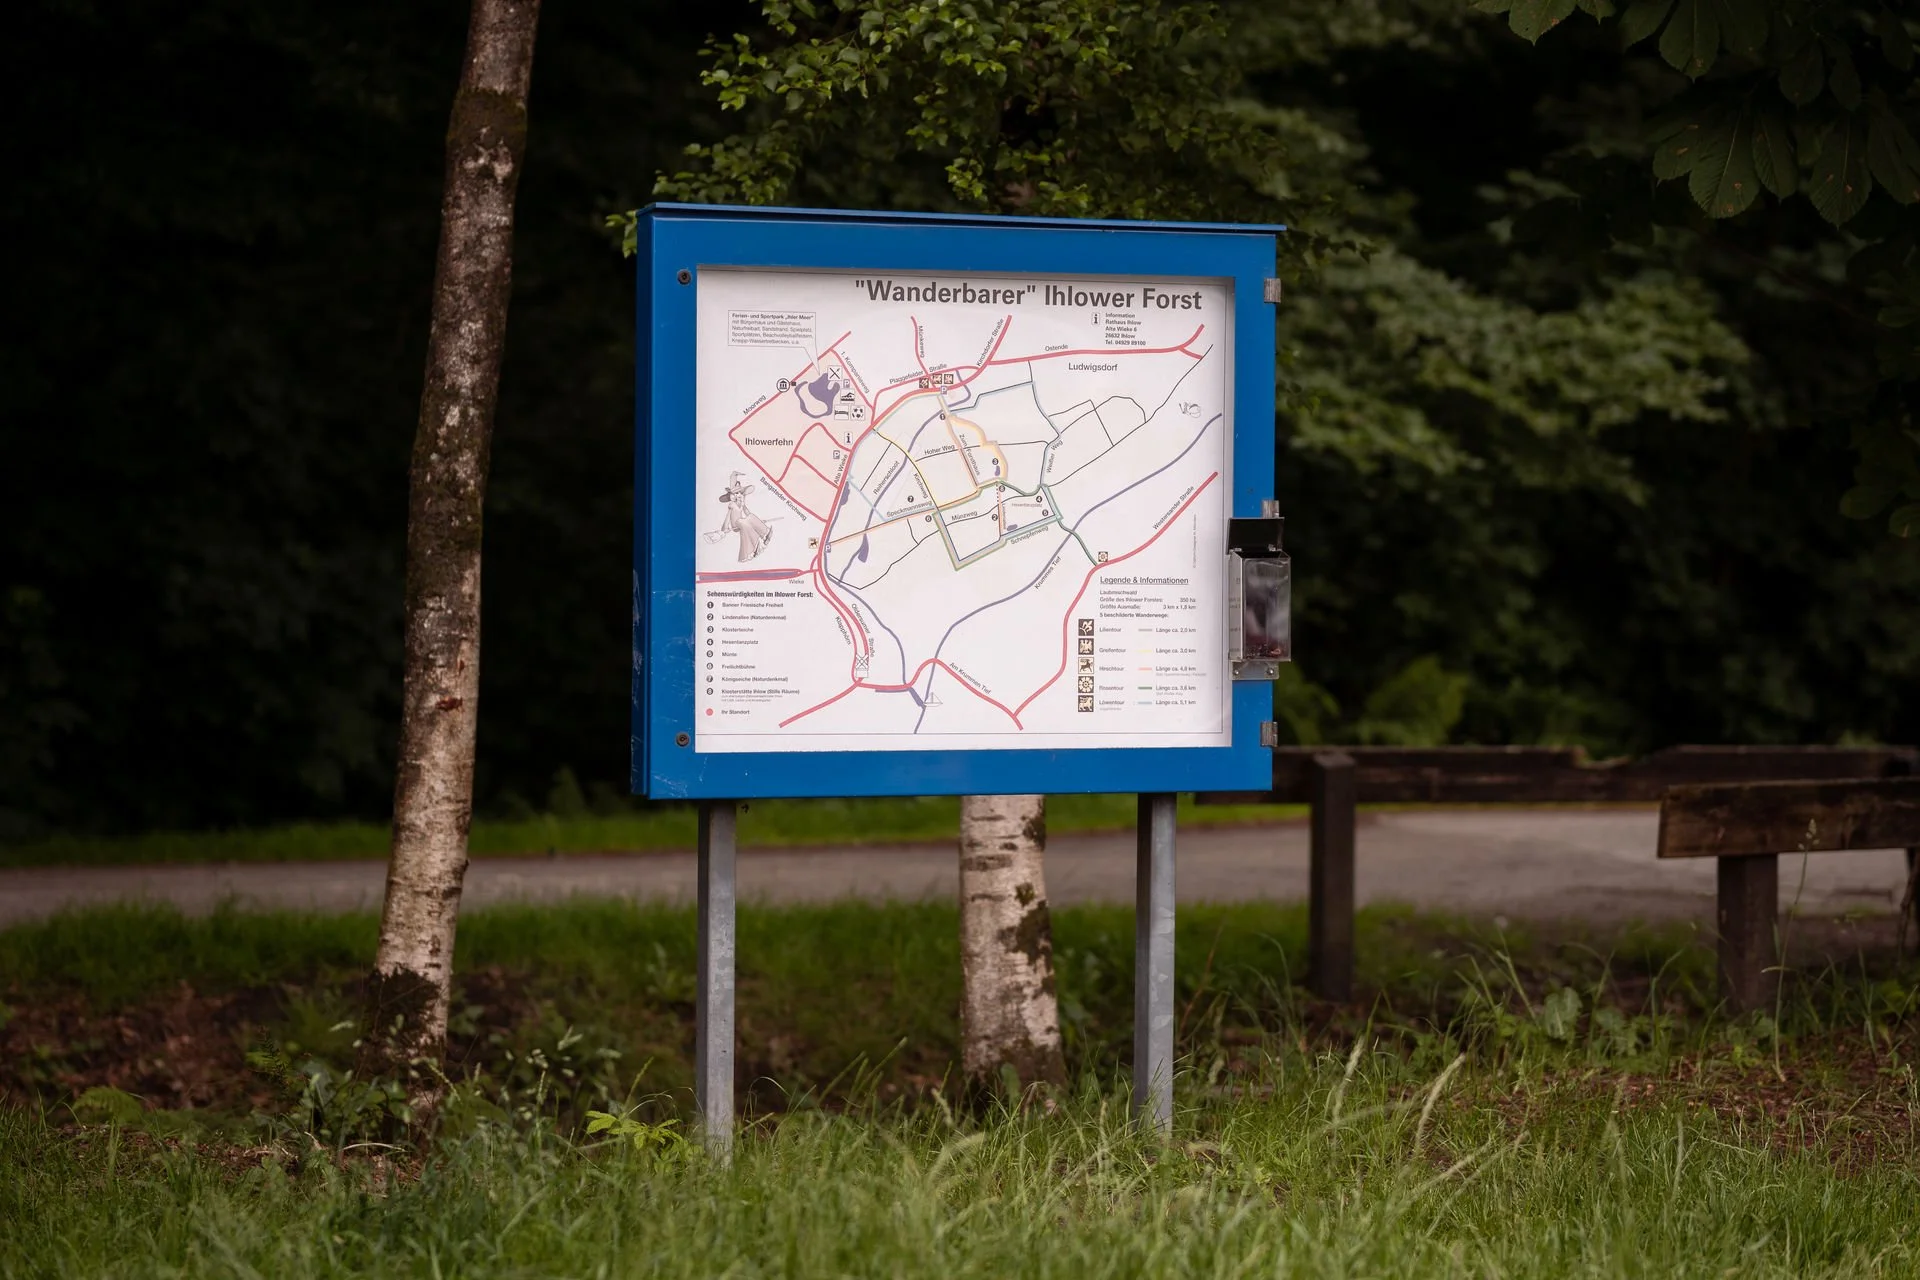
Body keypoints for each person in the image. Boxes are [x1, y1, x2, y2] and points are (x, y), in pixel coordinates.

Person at [717, 471, 772, 561]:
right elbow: (728, 517)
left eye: (739, 493)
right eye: (735, 494)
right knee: (743, 522)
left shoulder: (741, 502)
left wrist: (757, 521)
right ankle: (754, 548)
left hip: (741, 521)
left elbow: (747, 512)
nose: (738, 495)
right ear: (731, 496)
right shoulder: (732, 505)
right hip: (735, 525)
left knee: (750, 516)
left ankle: (765, 533)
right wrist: (724, 528)